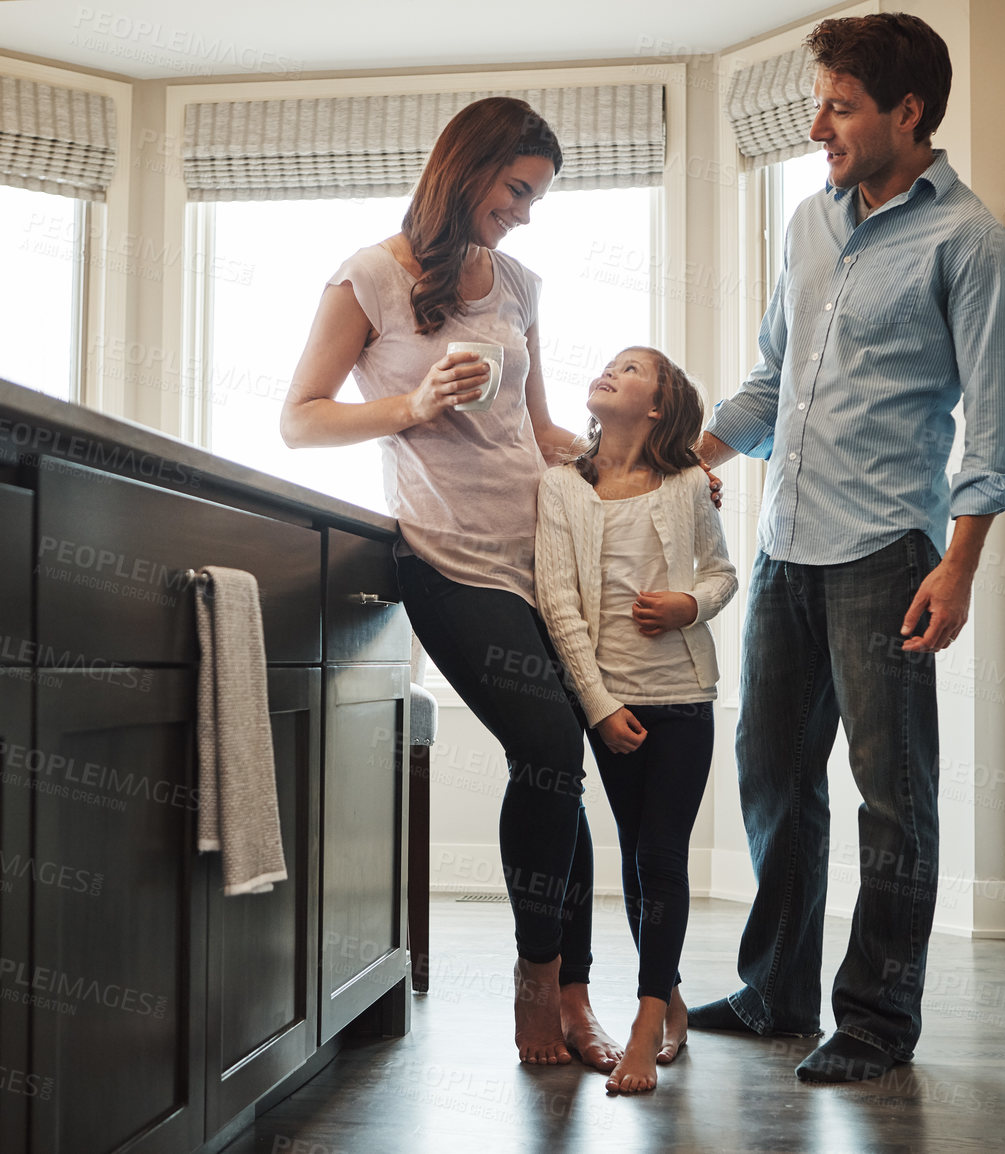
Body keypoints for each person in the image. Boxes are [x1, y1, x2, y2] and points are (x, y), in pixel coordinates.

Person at [685, 13, 1005, 1084]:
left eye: (838, 104)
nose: (817, 123)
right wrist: (682, 458)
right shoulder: (807, 223)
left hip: (886, 551)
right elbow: (770, 382)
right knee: (772, 775)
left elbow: (997, 430)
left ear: (906, 112)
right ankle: (774, 989)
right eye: (820, 101)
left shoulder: (972, 243)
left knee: (894, 792)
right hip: (784, 545)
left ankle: (876, 1019)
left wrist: (959, 562)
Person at [281, 96, 621, 1070]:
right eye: (516, 189)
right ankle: (531, 985)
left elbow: (537, 427)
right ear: (465, 169)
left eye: (535, 196)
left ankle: (571, 991)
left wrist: (649, 456)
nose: (523, 211)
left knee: (566, 764)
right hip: (443, 555)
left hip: (536, 556)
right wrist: (410, 401)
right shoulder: (368, 278)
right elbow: (299, 418)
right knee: (551, 744)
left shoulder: (515, 279)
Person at [533, 347, 736, 1093]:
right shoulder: (560, 488)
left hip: (683, 698)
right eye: (610, 364)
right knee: (635, 858)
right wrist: (600, 706)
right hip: (609, 705)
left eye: (633, 369)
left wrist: (691, 605)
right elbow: (558, 605)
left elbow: (722, 574)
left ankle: (647, 1021)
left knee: (661, 856)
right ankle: (670, 993)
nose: (612, 370)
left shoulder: (688, 485)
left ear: (657, 407)